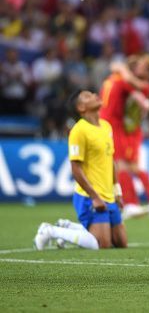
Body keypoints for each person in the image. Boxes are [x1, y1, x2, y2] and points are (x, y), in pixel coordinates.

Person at [34, 89, 127, 250]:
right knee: (101, 244)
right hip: (89, 196)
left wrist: (117, 190)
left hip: (109, 194)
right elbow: (75, 168)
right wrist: (95, 197)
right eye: (87, 96)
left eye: (92, 93)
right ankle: (50, 231)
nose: (94, 95)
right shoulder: (79, 131)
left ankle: (68, 226)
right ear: (81, 108)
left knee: (120, 243)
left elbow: (110, 159)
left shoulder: (106, 126)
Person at [100, 55, 149, 220]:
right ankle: (146, 201)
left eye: (144, 66)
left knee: (124, 166)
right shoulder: (122, 80)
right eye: (139, 64)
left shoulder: (134, 84)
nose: (140, 67)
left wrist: (121, 67)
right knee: (126, 166)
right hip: (118, 127)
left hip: (125, 129)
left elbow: (119, 68)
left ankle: (133, 204)